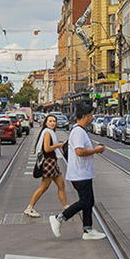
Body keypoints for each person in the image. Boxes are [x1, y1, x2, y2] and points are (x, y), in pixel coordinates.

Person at [49, 101, 106, 240]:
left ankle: (88, 230)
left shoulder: (79, 131)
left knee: (89, 201)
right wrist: (96, 150)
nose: (93, 118)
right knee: (85, 201)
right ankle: (59, 218)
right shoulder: (78, 132)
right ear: (85, 116)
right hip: (80, 174)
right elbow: (79, 151)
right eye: (91, 115)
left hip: (84, 173)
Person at [25, 113, 69, 218]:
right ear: (46, 122)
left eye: (54, 121)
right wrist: (59, 145)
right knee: (43, 187)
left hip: (53, 162)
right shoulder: (47, 133)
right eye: (50, 121)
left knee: (61, 185)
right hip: (49, 163)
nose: (52, 123)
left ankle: (67, 208)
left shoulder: (50, 132)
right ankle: (29, 208)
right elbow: (47, 149)